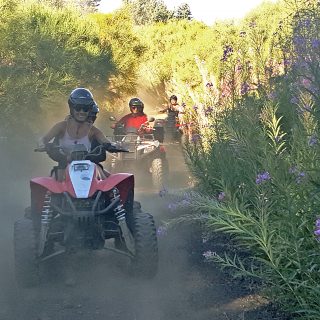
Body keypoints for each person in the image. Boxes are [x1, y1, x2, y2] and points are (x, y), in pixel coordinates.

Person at [38, 87, 111, 179]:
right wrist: (42, 144)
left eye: (85, 109)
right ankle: (53, 193)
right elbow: (44, 139)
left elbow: (105, 141)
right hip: (64, 165)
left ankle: (112, 193)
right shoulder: (61, 126)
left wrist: (111, 146)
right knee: (49, 184)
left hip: (89, 165)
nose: (81, 112)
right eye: (78, 108)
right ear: (72, 108)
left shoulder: (93, 130)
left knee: (106, 180)